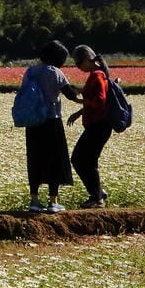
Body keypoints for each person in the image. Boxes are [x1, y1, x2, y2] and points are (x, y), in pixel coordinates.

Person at [22, 40, 81, 212]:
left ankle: (34, 200)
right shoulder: (56, 72)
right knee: (54, 159)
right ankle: (53, 202)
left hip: (33, 122)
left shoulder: (30, 71)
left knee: (35, 159)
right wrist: (86, 99)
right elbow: (70, 95)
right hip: (52, 121)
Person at [66, 44, 111, 208]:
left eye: (78, 63)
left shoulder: (97, 75)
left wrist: (79, 101)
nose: (78, 67)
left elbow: (99, 100)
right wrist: (79, 112)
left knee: (80, 159)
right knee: (85, 160)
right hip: (98, 125)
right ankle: (97, 193)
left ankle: (97, 197)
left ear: (87, 59)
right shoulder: (97, 73)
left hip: (98, 125)